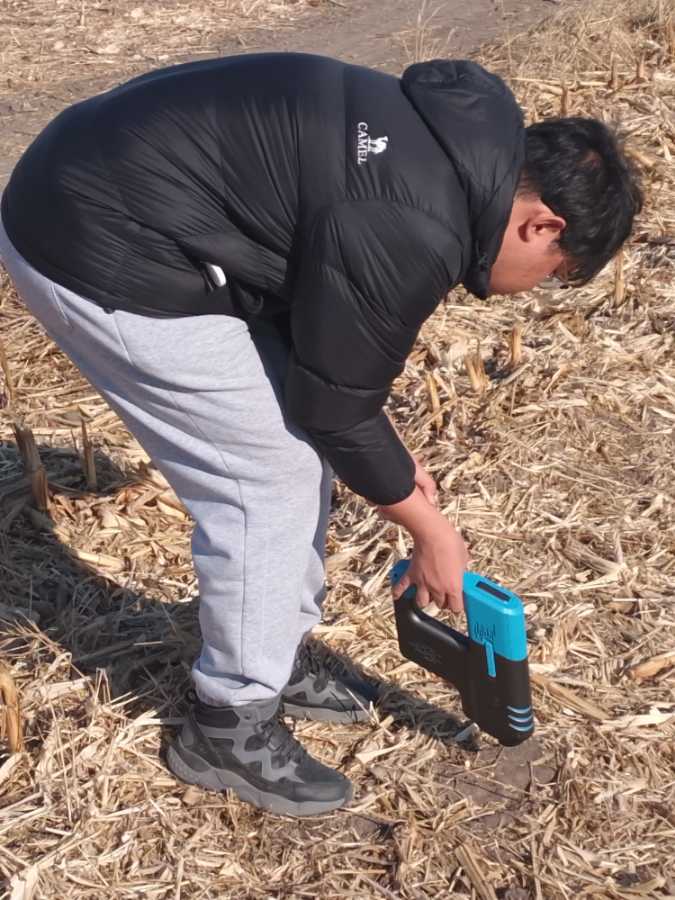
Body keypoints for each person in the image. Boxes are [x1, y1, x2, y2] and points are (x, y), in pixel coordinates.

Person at [0, 52, 642, 817]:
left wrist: (390, 462)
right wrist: (430, 530)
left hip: (109, 178)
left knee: (301, 450)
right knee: (265, 480)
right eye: (556, 272)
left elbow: (332, 368)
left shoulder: (450, 147)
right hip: (95, 236)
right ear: (542, 225)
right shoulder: (415, 219)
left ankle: (269, 650)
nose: (534, 289)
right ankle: (228, 724)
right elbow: (334, 408)